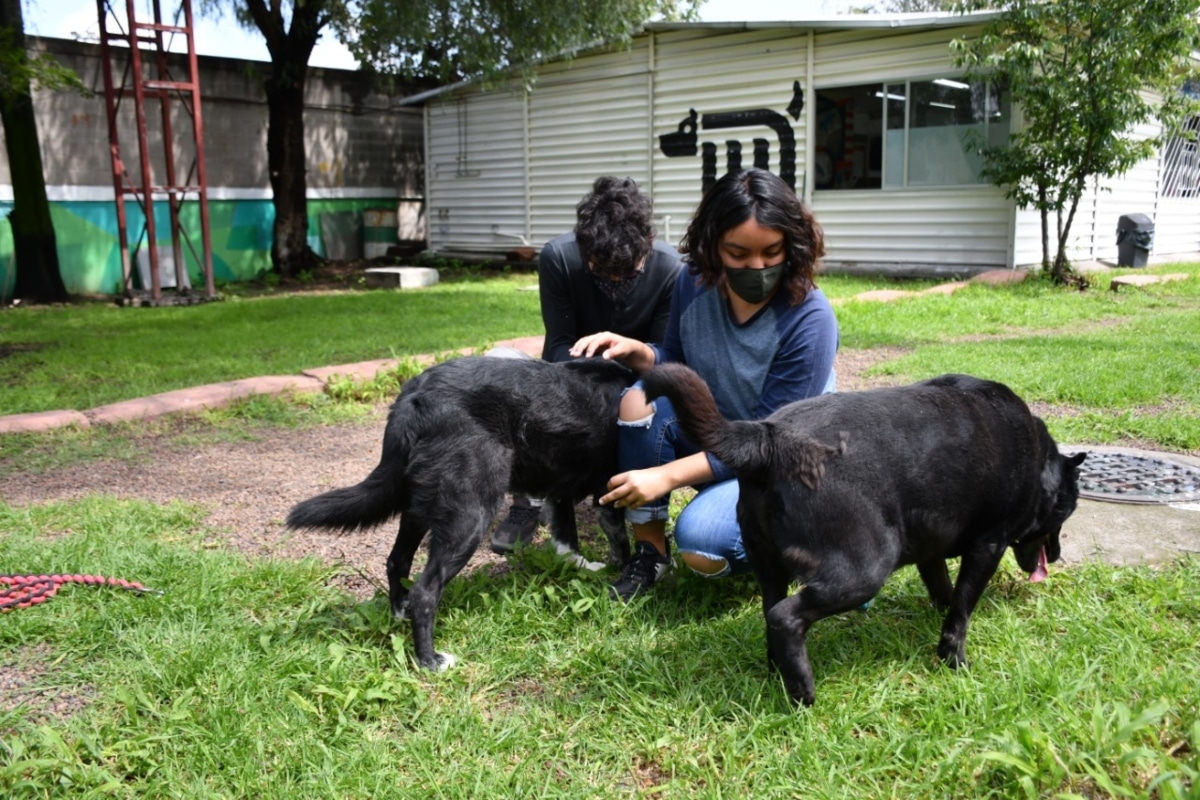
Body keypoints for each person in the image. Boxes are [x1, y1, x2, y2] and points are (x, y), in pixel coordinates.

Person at [569, 168, 840, 600]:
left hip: (782, 464)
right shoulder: (693, 283)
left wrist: (666, 476)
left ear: (794, 243)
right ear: (713, 245)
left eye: (773, 251)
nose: (758, 266)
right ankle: (650, 554)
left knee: (703, 547)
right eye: (738, 252)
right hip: (720, 432)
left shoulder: (809, 319)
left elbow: (771, 440)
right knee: (638, 401)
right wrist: (635, 349)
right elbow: (676, 363)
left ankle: (807, 539)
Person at [490, 176, 684, 553]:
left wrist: (625, 356)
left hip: (636, 375)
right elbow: (559, 342)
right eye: (601, 271)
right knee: (500, 362)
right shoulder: (559, 257)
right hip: (571, 374)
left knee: (645, 405)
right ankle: (528, 497)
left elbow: (664, 353)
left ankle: (626, 497)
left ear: (646, 246)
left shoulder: (670, 270)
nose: (614, 281)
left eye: (627, 273)